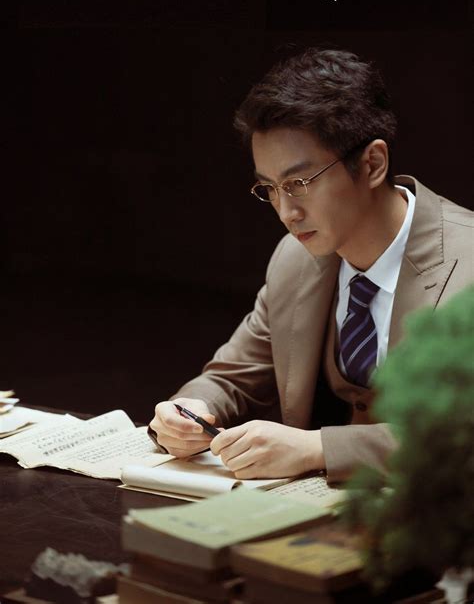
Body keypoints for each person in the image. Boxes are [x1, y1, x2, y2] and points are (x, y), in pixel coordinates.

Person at [149, 47, 473, 483]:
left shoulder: (467, 264)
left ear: (373, 163)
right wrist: (190, 411)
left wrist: (316, 448)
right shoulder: (295, 258)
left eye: (299, 183)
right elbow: (232, 378)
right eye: (270, 189)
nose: (286, 212)